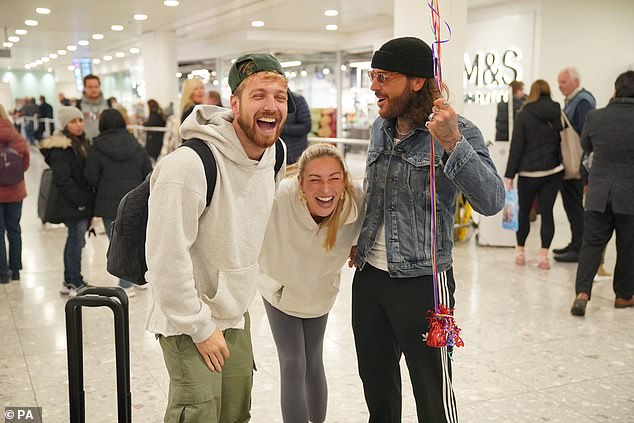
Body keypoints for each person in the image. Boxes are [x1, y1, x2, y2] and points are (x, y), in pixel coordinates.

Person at [351, 37, 505, 423]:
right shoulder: (379, 129)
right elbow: (377, 196)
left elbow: (491, 200)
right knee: (378, 391)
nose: (374, 86)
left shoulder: (457, 130)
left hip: (424, 281)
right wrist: (362, 239)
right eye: (373, 76)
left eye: (383, 77)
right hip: (370, 280)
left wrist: (452, 143)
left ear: (416, 82)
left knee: (433, 396)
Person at [145, 52, 294, 423]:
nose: (271, 105)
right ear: (234, 103)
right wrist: (199, 326)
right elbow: (165, 257)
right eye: (259, 95)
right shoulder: (188, 165)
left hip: (235, 313)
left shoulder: (275, 153)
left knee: (235, 413)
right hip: (187, 319)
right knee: (198, 415)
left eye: (279, 96)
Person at [258, 143, 364, 423]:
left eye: (333, 179)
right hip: (280, 287)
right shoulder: (279, 198)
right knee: (293, 363)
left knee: (314, 361)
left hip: (318, 290)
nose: (325, 189)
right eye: (315, 180)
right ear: (301, 184)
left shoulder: (355, 203)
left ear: (344, 180)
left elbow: (367, 228)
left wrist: (356, 246)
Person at [570, 70, 634, 316]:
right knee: (628, 246)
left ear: (616, 90)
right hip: (629, 195)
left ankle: (582, 293)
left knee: (592, 244)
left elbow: (586, 146)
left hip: (598, 192)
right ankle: (624, 295)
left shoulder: (595, 117)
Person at [84, 109, 152, 297]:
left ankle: (126, 283)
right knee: (139, 239)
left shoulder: (97, 147)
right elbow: (147, 170)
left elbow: (91, 176)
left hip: (108, 203)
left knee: (117, 241)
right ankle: (141, 278)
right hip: (136, 200)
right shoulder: (135, 143)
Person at [504, 80, 563, 269]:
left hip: (528, 173)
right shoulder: (556, 111)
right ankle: (543, 256)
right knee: (547, 213)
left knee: (524, 213)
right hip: (552, 171)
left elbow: (517, 146)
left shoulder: (524, 114)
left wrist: (509, 174)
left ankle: (520, 252)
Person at [40, 106, 94, 296]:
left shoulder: (80, 142)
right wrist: (80, 200)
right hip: (72, 202)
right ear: (65, 124)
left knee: (75, 240)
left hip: (80, 200)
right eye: (73, 122)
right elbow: (63, 180)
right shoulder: (61, 148)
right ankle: (75, 281)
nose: (79, 125)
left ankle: (69, 280)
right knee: (76, 240)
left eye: (80, 120)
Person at [554, 67, 596, 263]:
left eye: (563, 82)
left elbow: (585, 134)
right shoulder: (573, 101)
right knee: (571, 206)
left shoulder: (583, 102)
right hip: (572, 164)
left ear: (576, 82)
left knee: (575, 206)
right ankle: (575, 243)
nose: (560, 86)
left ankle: (579, 248)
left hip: (577, 164)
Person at [0, 104, 30, 283]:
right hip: (16, 191)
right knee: (14, 230)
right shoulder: (15, 135)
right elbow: (25, 163)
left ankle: (3, 273)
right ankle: (16, 270)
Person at [280, 90, 312, 164]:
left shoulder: (298, 100)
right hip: (278, 154)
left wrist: (281, 128)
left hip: (295, 154)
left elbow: (306, 126)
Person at [76, 74, 112, 141]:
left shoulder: (108, 105)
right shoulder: (78, 106)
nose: (93, 89)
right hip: (86, 143)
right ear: (84, 87)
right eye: (90, 87)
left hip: (106, 142)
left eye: (96, 86)